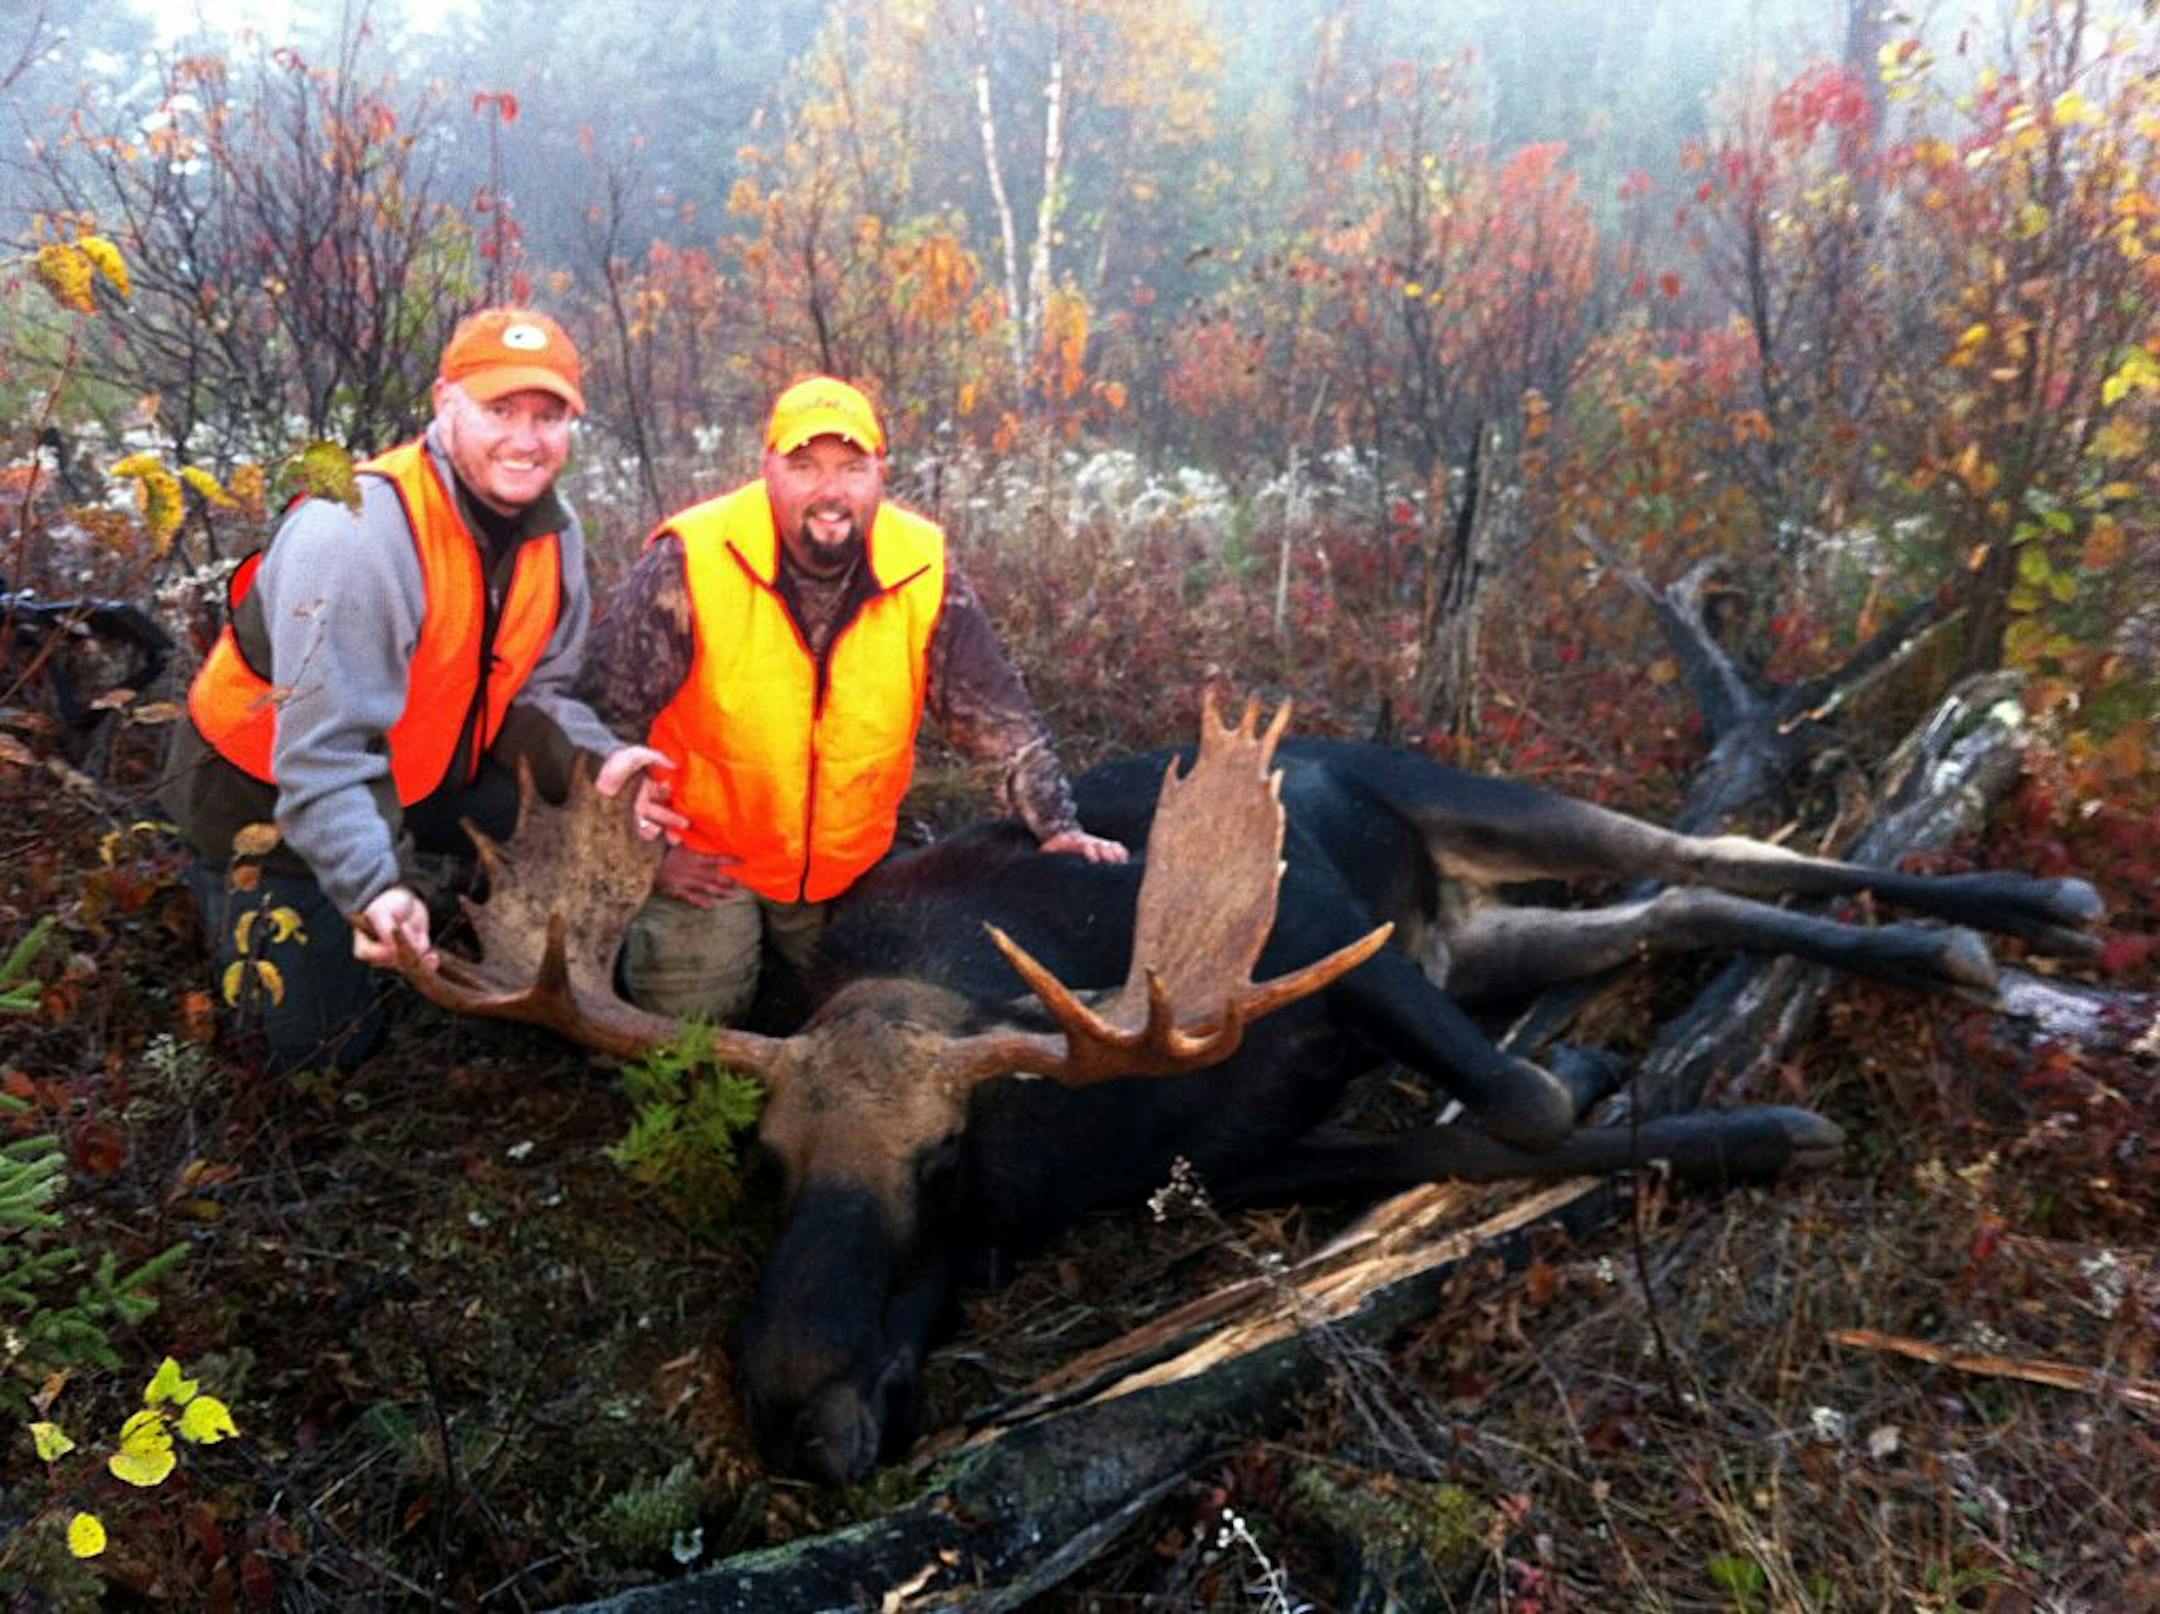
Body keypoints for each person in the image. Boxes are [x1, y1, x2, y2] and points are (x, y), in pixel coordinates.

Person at [165, 307, 686, 1074]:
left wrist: (596, 761)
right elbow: (318, 757)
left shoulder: (555, 533)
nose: (526, 438)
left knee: (579, 822)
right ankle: (272, 903)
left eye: (549, 416)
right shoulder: (357, 535)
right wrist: (376, 885)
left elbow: (534, 692)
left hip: (421, 766)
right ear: (445, 403)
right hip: (268, 799)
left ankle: (478, 940)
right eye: (499, 409)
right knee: (320, 1057)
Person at [582, 374, 1126, 1023]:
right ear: (767, 470)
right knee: (687, 1040)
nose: (830, 490)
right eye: (805, 465)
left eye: (851, 466)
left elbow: (996, 718)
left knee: (893, 1018)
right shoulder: (691, 560)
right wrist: (649, 858)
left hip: (851, 868)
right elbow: (600, 727)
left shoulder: (921, 567)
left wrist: (1058, 826)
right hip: (708, 865)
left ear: (881, 474)